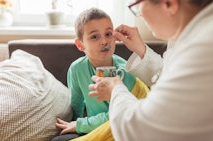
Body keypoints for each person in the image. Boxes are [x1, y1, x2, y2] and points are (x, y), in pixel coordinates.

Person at [89, 0, 213, 141]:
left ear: (168, 2)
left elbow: (140, 132)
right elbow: (180, 81)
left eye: (138, 3)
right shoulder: (211, 25)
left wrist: (116, 90)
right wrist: (141, 50)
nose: (139, 13)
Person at [51, 8, 149, 141]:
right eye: (95, 36)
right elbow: (76, 106)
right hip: (94, 127)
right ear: (80, 45)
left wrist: (80, 125)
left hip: (120, 126)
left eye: (108, 34)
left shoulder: (124, 71)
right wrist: (75, 125)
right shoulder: (76, 69)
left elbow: (117, 114)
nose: (104, 41)